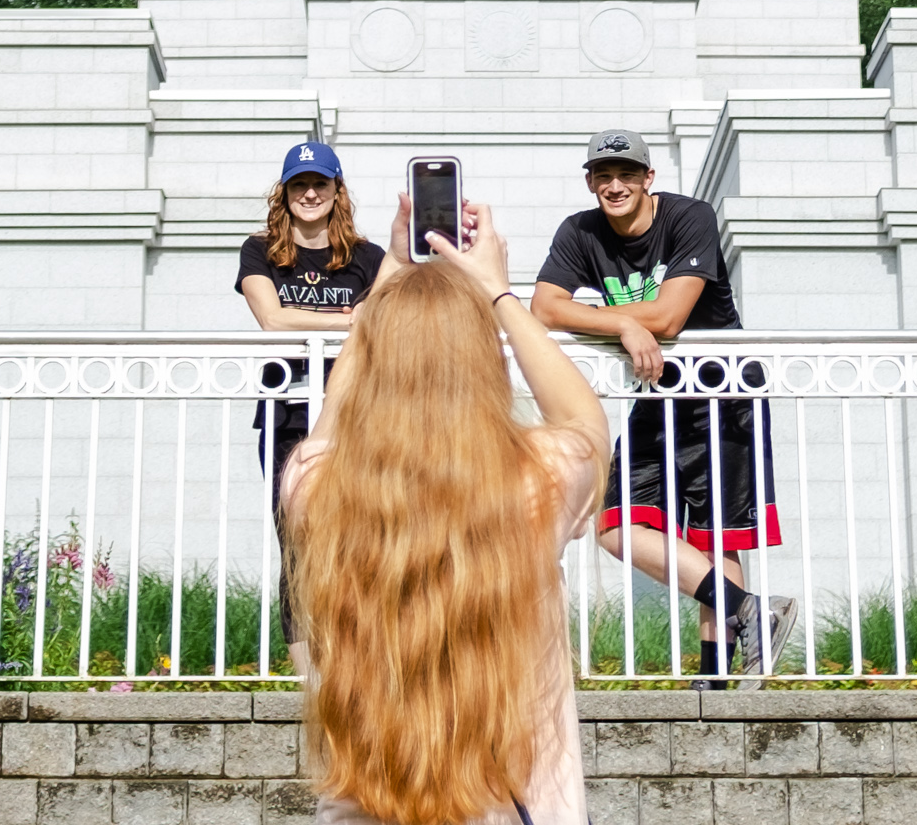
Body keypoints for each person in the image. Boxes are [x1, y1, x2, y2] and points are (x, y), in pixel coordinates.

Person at [282, 191, 608, 825]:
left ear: (374, 360)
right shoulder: (536, 480)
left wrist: (390, 278)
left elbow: (330, 420)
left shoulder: (315, 485)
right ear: (485, 362)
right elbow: (584, 420)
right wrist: (497, 293)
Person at [529, 128, 796, 682]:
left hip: (723, 392)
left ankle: (715, 676)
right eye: (603, 176)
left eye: (627, 174)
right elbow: (545, 307)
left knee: (715, 534)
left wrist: (630, 321)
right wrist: (624, 322)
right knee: (615, 525)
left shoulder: (688, 217)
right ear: (590, 182)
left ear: (649, 179)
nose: (615, 185)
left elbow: (671, 316)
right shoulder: (580, 232)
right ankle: (751, 612)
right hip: (658, 393)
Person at [235, 141, 395, 508]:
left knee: (354, 535)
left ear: (337, 191)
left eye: (320, 184)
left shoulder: (368, 257)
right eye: (298, 185)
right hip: (286, 412)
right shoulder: (260, 250)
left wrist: (363, 318)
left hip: (354, 414)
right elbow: (273, 320)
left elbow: (385, 320)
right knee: (293, 534)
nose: (310, 194)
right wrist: (350, 320)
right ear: (285, 193)